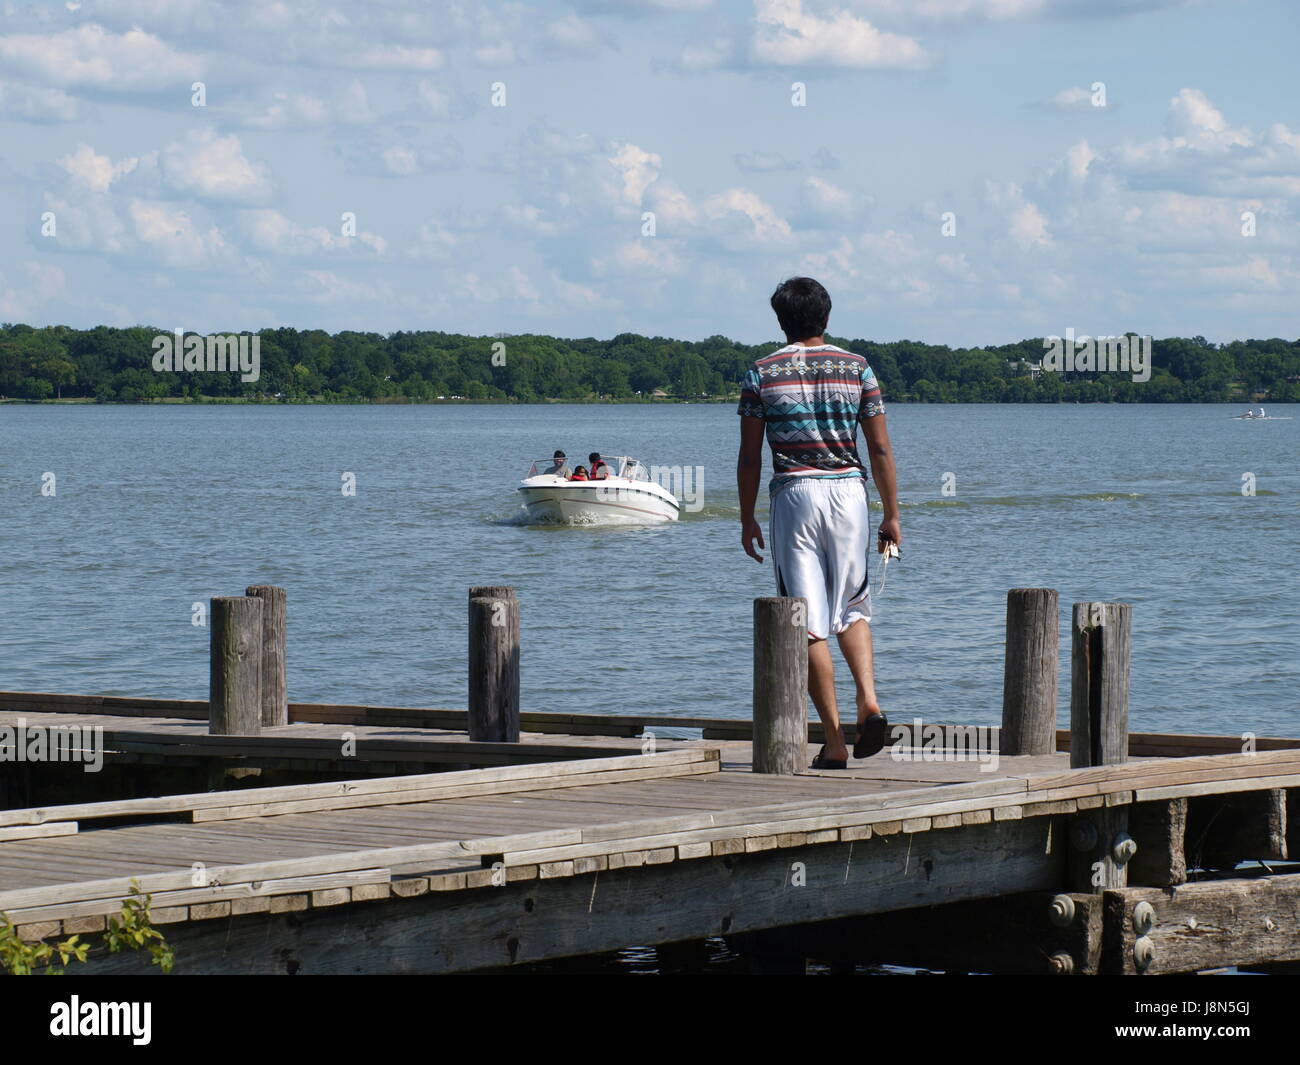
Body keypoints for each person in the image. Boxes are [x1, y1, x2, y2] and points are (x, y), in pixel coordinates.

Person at [737, 277, 901, 768]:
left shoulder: (761, 372)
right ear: (826, 317)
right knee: (853, 605)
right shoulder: (857, 368)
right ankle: (868, 701)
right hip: (850, 493)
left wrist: (746, 517)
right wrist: (891, 514)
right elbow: (880, 449)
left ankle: (832, 741)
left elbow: (749, 457)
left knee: (805, 620)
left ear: (781, 320)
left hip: (794, 494)